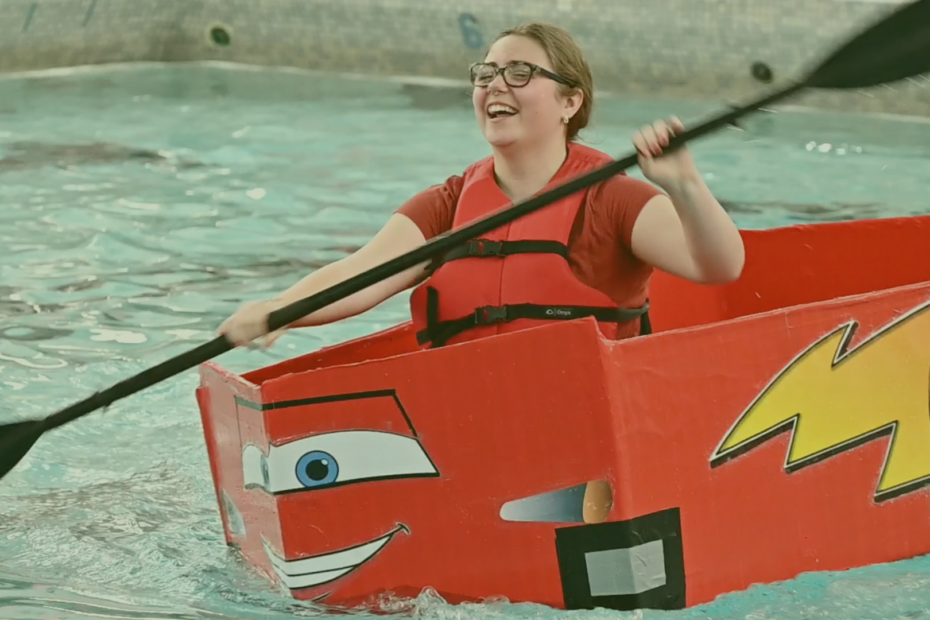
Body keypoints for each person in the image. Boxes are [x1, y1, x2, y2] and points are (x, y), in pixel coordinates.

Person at [217, 22, 745, 523]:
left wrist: (685, 185)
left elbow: (719, 265)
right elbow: (361, 274)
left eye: (520, 73)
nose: (496, 85)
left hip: (586, 456)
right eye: (486, 73)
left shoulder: (612, 199)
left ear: (570, 102)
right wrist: (277, 312)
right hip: (466, 446)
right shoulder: (448, 203)